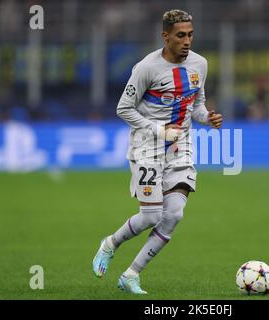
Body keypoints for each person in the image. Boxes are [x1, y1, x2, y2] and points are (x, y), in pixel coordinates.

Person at [92, 9, 223, 294]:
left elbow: (196, 105)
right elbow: (123, 108)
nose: (187, 41)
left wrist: (208, 117)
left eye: (190, 34)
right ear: (165, 36)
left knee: (174, 214)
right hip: (147, 147)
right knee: (151, 216)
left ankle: (131, 275)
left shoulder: (200, 64)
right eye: (180, 36)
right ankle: (110, 243)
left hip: (180, 146)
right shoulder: (146, 68)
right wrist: (158, 130)